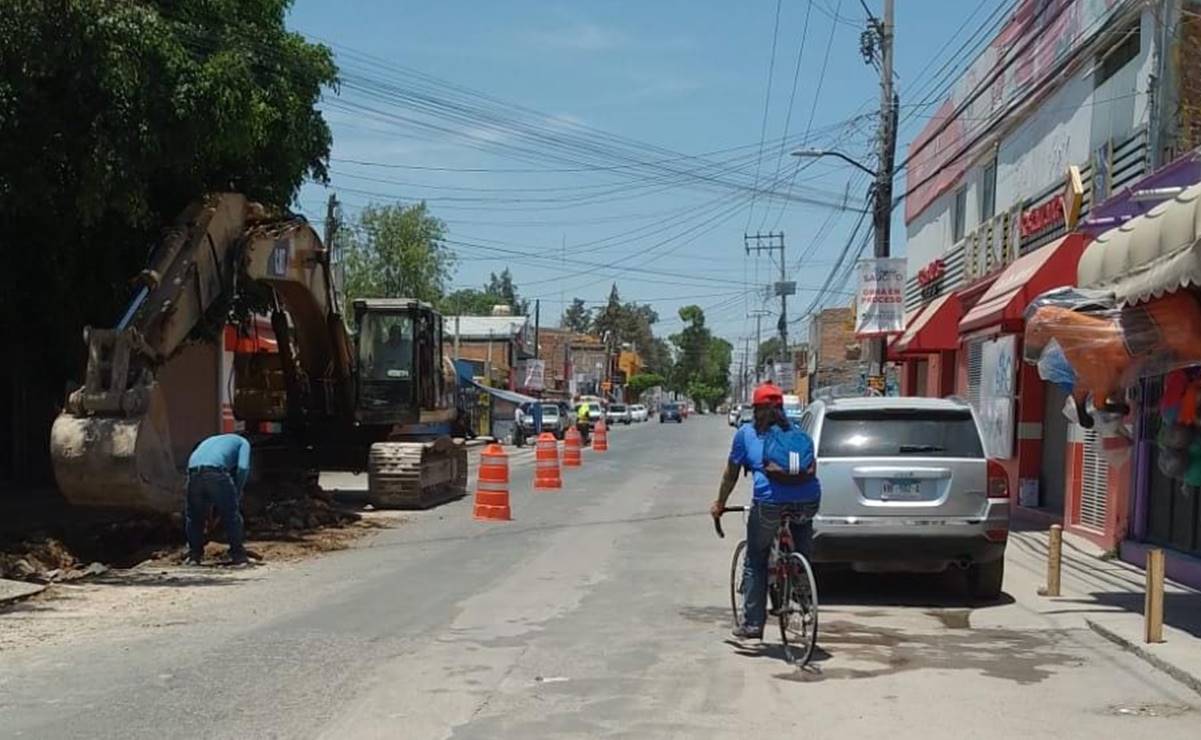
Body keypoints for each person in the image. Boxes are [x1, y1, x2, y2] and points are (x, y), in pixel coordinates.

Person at [711, 381, 821, 639]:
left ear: (755, 409)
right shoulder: (797, 432)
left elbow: (731, 475)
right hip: (808, 501)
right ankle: (803, 590)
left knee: (756, 558)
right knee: (802, 543)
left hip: (769, 503)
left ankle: (752, 624)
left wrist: (720, 503)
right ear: (781, 408)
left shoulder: (746, 434)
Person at [184, 433, 251, 566]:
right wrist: (237, 491)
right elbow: (243, 468)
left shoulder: (209, 440)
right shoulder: (243, 442)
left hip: (193, 473)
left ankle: (194, 556)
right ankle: (238, 556)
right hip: (216, 472)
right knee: (231, 516)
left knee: (194, 517)